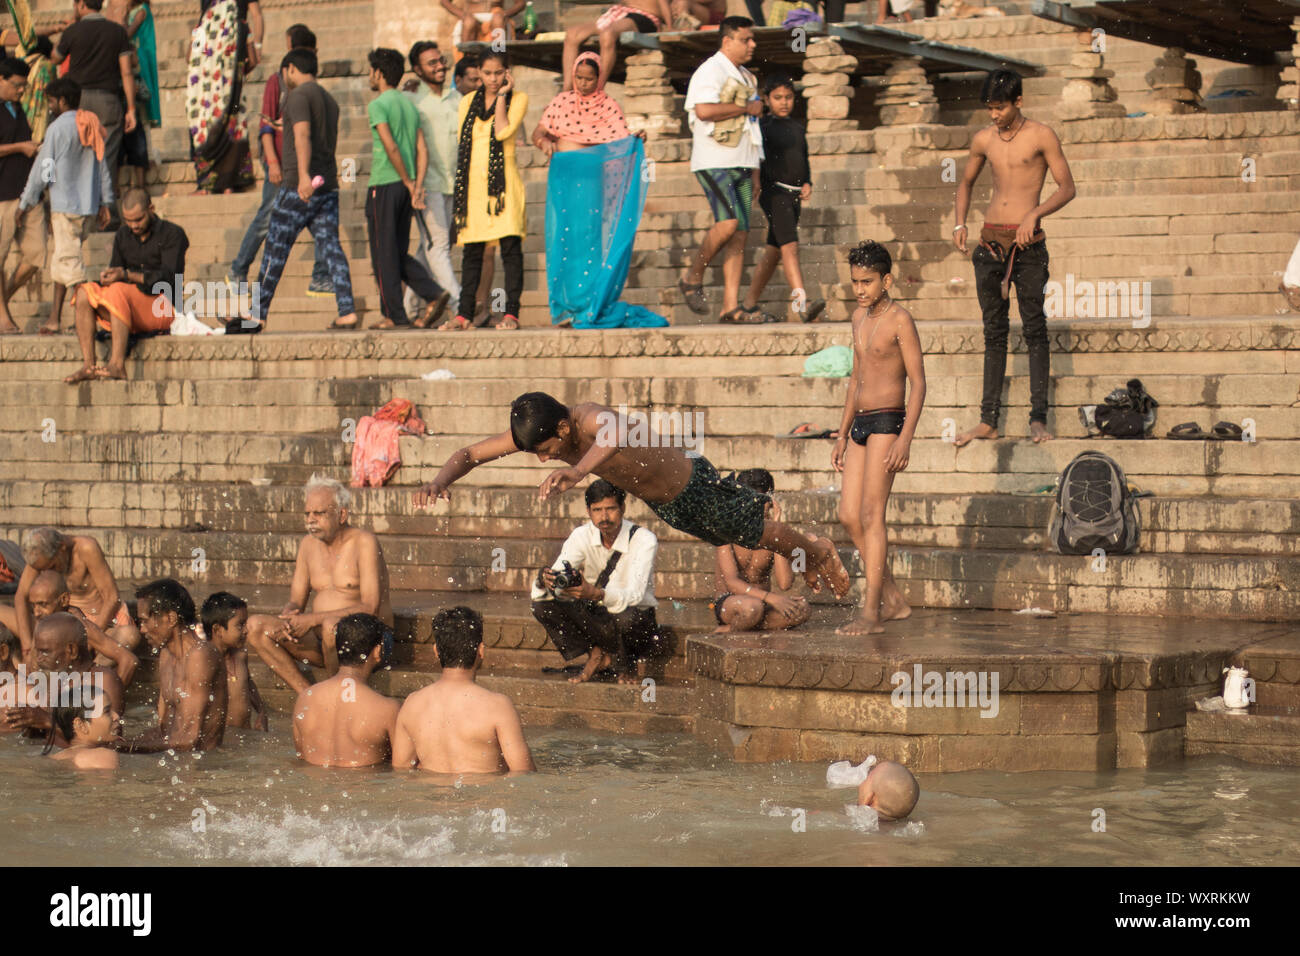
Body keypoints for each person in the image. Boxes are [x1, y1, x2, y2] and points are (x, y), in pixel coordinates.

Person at [413, 392, 851, 596]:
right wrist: (439, 481)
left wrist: (578, 472)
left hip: (693, 483)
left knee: (755, 531)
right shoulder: (543, 433)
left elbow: (617, 433)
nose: (545, 461)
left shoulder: (586, 419)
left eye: (546, 452)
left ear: (562, 429)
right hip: (670, 504)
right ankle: (812, 550)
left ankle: (818, 550)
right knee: (751, 536)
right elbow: (471, 453)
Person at [953, 68, 1075, 447]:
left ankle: (1038, 419)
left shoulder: (1041, 135)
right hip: (990, 242)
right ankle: (988, 421)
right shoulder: (983, 139)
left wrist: (1034, 213)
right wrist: (960, 223)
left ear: (1018, 101)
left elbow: (1067, 187)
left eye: (1001, 107)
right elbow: (966, 182)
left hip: (1028, 246)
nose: (995, 115)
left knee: (1035, 329)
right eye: (990, 108)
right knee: (994, 332)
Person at [533, 52, 665, 329]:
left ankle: (588, 304)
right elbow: (539, 132)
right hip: (564, 183)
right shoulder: (562, 101)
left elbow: (619, 142)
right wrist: (545, 144)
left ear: (599, 78)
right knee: (564, 241)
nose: (582, 84)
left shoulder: (608, 106)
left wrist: (635, 140)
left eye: (589, 79)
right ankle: (565, 309)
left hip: (592, 185)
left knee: (588, 239)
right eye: (578, 78)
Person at [832, 241, 924, 634]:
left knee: (872, 515)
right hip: (860, 424)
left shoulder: (901, 320)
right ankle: (894, 599)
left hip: (889, 421)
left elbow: (919, 385)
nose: (861, 289)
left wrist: (905, 438)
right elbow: (856, 379)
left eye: (867, 282)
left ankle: (872, 611)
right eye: (855, 282)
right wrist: (840, 434)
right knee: (848, 515)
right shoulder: (857, 318)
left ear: (886, 280)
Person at [234, 47, 355, 333]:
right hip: (325, 187)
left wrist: (302, 176)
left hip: (298, 186)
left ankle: (257, 315)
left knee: (274, 250)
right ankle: (347, 311)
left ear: (290, 68)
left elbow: (302, 134)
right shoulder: (329, 100)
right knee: (331, 249)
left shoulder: (298, 95)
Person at [246, 474, 393, 694]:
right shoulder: (307, 545)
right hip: (322, 637)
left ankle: (337, 696)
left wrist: (313, 619)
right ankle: (308, 694)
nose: (311, 520)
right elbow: (296, 600)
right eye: (307, 514)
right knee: (255, 626)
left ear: (341, 514)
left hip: (368, 642)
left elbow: (370, 607)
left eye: (319, 513)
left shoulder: (365, 543)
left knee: (331, 627)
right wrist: (289, 616)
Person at [228, 25, 330, 297]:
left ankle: (321, 275)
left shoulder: (313, 88)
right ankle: (238, 268)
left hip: (305, 163)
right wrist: (272, 162)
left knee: (322, 214)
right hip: (280, 163)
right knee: (268, 216)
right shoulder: (278, 81)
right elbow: (265, 126)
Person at [531, 478, 662, 683]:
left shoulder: (644, 539)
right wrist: (545, 580)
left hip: (638, 622)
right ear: (588, 511)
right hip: (600, 617)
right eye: (597, 510)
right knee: (542, 605)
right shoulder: (581, 535)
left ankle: (629, 663)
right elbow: (556, 577)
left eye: (610, 509)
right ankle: (596, 653)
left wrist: (596, 593)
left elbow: (634, 596)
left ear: (623, 508)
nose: (604, 517)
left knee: (627, 616)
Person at [679, 17, 764, 324]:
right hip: (715, 161)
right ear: (728, 41)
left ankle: (730, 307)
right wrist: (745, 108)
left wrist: (756, 170)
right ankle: (692, 276)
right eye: (746, 39)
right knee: (727, 225)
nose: (752, 44)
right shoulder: (709, 71)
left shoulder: (748, 77)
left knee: (740, 234)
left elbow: (753, 128)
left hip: (743, 161)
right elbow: (703, 110)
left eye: (752, 39)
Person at [17, 77, 112, 335]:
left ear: (61, 101)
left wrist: (27, 201)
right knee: (62, 260)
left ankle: (95, 316)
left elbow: (44, 170)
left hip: (65, 207)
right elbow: (103, 165)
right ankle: (54, 319)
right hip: (89, 207)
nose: (49, 106)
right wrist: (106, 201)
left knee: (70, 267)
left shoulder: (57, 129)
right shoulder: (91, 123)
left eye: (50, 101)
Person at [392, 606, 535, 774]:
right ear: (481, 650)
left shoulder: (412, 703)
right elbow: (524, 773)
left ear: (436, 651)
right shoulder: (497, 706)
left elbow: (401, 769)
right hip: (483, 796)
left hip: (430, 797)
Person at [65, 187, 187, 383]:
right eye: (128, 221)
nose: (133, 226)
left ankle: (117, 365)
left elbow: (170, 279)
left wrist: (127, 275)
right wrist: (109, 277)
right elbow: (117, 272)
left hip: (163, 307)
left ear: (151, 209)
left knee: (119, 289)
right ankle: (89, 365)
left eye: (138, 220)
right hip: (126, 306)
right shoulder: (123, 235)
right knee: (84, 292)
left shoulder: (173, 234)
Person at [364, 47, 446, 331]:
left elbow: (390, 146)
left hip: (385, 184)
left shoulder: (378, 105)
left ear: (379, 73)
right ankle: (433, 292)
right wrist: (415, 183)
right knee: (396, 250)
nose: (369, 76)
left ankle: (394, 315)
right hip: (405, 186)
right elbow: (421, 148)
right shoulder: (410, 105)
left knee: (382, 252)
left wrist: (411, 182)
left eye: (371, 70)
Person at [450, 50, 527, 331]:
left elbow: (502, 132)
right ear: (479, 73)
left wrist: (503, 96)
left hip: (503, 186)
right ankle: (463, 315)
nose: (493, 79)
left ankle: (511, 314)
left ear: (508, 72)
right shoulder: (467, 101)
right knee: (472, 252)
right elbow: (463, 142)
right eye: (487, 73)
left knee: (510, 250)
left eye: (499, 73)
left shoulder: (519, 99)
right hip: (473, 187)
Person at [741, 73, 824, 323]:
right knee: (790, 247)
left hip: (794, 195)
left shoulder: (798, 127)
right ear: (766, 99)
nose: (784, 102)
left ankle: (748, 304)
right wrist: (755, 182)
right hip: (774, 193)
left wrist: (807, 181)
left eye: (788, 97)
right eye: (777, 98)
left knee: (774, 250)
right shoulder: (762, 127)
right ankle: (801, 303)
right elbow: (755, 156)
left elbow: (803, 158)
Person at [2, 528, 140, 663]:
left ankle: (91, 675)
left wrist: (88, 642)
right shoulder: (40, 557)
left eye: (52, 567)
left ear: (61, 548)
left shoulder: (86, 548)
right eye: (43, 570)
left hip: (95, 625)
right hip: (55, 623)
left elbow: (112, 597)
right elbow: (21, 596)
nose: (48, 572)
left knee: (129, 635)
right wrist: (27, 648)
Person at [120, 578, 226, 752]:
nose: (142, 630)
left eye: (145, 621)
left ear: (171, 618)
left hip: (202, 770)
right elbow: (164, 731)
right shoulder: (166, 655)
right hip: (174, 761)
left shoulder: (200, 655)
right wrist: (113, 743)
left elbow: (187, 740)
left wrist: (121, 748)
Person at [292, 612, 399, 767]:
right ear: (377, 651)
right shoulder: (387, 709)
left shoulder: (305, 698)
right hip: (364, 787)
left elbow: (300, 756)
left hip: (315, 785)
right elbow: (402, 766)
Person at [710, 468, 810, 632]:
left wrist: (777, 530)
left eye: (760, 501)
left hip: (764, 605)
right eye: (749, 501)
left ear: (770, 501)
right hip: (731, 603)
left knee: (802, 609)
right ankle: (731, 627)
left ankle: (744, 625)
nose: (754, 507)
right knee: (752, 608)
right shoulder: (726, 529)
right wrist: (773, 599)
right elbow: (732, 582)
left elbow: (785, 583)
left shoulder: (773, 531)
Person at [403, 41, 460, 324]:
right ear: (417, 69)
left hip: (453, 183)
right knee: (438, 246)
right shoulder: (413, 100)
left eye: (440, 60)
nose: (439, 66)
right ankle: (460, 306)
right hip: (427, 184)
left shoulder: (456, 99)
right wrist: (413, 183)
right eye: (431, 63)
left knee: (428, 247)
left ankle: (409, 308)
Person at [2, 611, 126, 739]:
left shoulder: (103, 679)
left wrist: (46, 721)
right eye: (37, 651)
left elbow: (109, 738)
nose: (38, 659)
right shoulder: (55, 679)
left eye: (45, 652)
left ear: (71, 650)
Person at [51, 0, 135, 188]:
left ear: (81, 5)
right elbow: (126, 72)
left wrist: (69, 30)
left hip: (77, 102)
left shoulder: (73, 31)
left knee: (78, 155)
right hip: (108, 101)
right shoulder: (117, 32)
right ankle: (108, 213)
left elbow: (55, 57)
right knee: (107, 160)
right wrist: (131, 109)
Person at [187, 0, 262, 193]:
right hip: (234, 96)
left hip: (204, 97)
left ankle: (205, 184)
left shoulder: (201, 27)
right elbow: (253, 60)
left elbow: (190, 57)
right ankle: (229, 183)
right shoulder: (242, 25)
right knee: (234, 125)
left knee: (204, 129)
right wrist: (236, 71)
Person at [17, 569, 138, 685]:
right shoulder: (44, 622)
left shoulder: (79, 625)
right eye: (33, 605)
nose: (37, 612)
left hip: (77, 694)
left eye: (42, 604)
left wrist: (112, 697)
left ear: (64, 600)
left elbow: (129, 660)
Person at [0, 54, 45, 336]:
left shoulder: (19, 108)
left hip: (29, 192)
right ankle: (3, 317)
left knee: (37, 255)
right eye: (17, 85)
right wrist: (20, 147)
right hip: (2, 193)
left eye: (23, 86)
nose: (20, 90)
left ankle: (2, 301)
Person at [562, 0, 671, 91]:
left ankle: (598, 88)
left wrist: (670, 27)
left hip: (645, 16)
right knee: (572, 33)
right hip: (620, 13)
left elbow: (663, 4)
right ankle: (566, 89)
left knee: (607, 34)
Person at [201, 590, 267, 731]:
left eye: (245, 624)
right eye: (240, 625)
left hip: (244, 735)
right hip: (219, 739)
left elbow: (248, 683)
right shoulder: (204, 662)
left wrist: (261, 711)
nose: (246, 631)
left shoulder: (241, 655)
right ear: (218, 630)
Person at [1, 0, 65, 144]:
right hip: (36, 119)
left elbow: (24, 37)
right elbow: (24, 37)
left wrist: (55, 28)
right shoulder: (46, 67)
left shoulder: (21, 62)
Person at [120, 0, 158, 190]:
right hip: (134, 57)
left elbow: (127, 34)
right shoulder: (135, 10)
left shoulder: (142, 11)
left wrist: (121, 23)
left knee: (143, 111)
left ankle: (148, 157)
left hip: (140, 60)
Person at [44, 689, 121, 768]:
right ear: (81, 725)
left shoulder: (55, 758)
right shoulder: (103, 756)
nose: (116, 716)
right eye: (107, 711)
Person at [441, 0, 525, 46]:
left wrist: (504, 14)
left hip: (496, 19)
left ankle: (498, 58)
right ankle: (468, 63)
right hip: (471, 20)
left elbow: (521, 3)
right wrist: (463, 15)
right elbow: (444, 1)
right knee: (469, 22)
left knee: (498, 19)